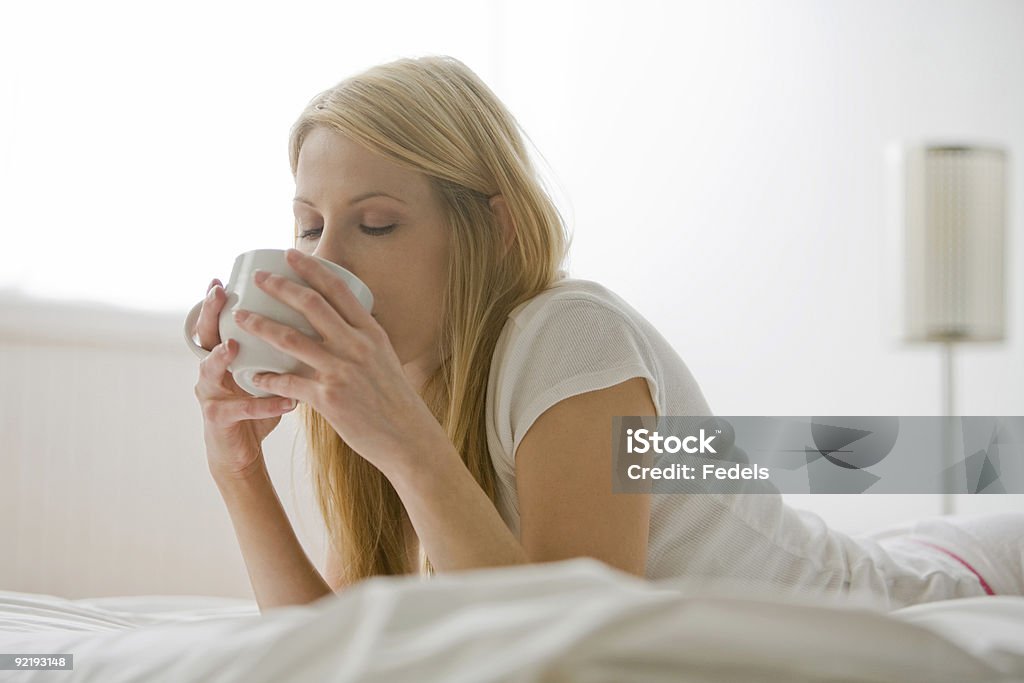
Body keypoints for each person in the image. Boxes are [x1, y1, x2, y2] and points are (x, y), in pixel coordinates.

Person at [191, 54, 1023, 612]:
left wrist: (406, 444)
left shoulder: (570, 336)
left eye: (375, 223)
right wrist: (238, 469)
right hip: (882, 545)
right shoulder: (398, 387)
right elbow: (334, 645)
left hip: (941, 590)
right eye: (307, 227)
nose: (324, 260)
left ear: (495, 230)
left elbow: (568, 641)